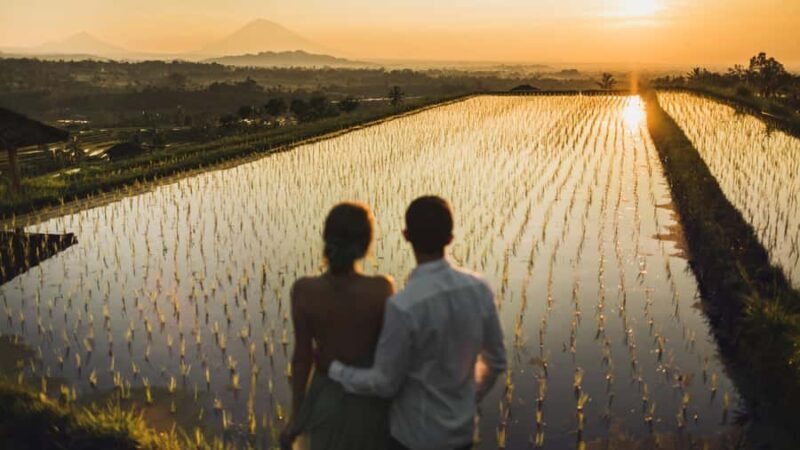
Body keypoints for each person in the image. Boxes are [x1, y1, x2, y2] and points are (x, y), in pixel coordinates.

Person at [326, 196, 507, 450]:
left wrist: (335, 369)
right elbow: (497, 360)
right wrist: (466, 397)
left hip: (414, 438)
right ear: (450, 238)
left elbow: (384, 383)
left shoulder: (403, 305)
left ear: (406, 235)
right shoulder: (479, 288)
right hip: (463, 435)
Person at [281, 202, 395, 450]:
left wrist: (296, 417)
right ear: (366, 246)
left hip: (326, 400)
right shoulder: (382, 289)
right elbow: (392, 354)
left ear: (325, 239)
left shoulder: (303, 290)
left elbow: (302, 358)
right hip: (370, 401)